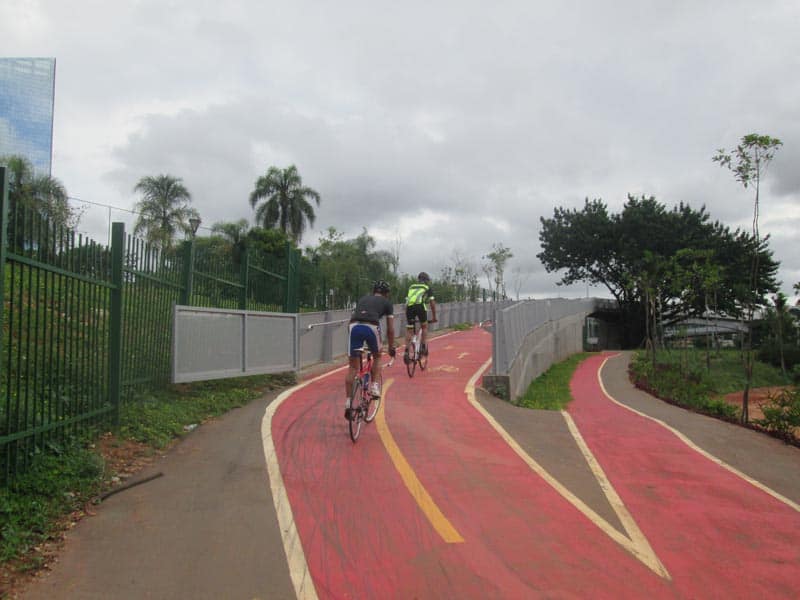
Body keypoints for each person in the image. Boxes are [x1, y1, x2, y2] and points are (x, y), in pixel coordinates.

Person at [345, 280, 396, 419]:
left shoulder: (363, 298)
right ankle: (374, 386)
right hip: (371, 326)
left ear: (374, 291)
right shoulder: (387, 303)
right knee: (378, 356)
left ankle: (348, 403)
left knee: (352, 368)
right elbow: (390, 329)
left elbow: (352, 320)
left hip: (353, 326)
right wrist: (391, 347)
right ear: (386, 294)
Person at [404, 271, 437, 363]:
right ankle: (423, 346)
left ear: (418, 280)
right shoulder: (427, 287)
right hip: (420, 307)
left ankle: (406, 351)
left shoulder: (411, 287)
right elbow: (432, 303)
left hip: (410, 308)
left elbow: (407, 302)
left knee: (409, 330)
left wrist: (407, 314)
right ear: (426, 280)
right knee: (424, 326)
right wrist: (434, 317)